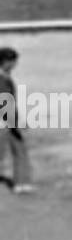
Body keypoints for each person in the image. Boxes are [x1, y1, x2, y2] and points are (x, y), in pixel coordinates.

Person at [0, 47, 33, 194]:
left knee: (19, 148)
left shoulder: (5, 77)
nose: (15, 64)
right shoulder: (2, 79)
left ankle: (21, 183)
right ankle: (21, 183)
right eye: (13, 61)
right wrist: (16, 122)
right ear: (5, 62)